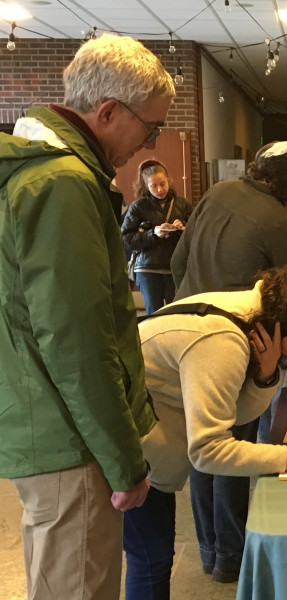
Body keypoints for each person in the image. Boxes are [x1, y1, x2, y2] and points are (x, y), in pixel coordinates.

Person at [0, 34, 173, 599]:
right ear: (107, 112)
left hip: (43, 422)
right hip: (72, 439)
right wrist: (124, 461)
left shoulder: (37, 170)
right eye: (150, 129)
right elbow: (77, 341)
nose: (150, 143)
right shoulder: (64, 184)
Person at [124, 261, 287, 599]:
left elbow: (234, 415)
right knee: (150, 560)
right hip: (126, 452)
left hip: (145, 447)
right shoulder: (224, 338)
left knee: (154, 558)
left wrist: (265, 375)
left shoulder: (252, 321)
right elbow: (208, 451)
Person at [170, 140, 287, 583]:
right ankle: (232, 556)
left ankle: (211, 550)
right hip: (238, 339)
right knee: (230, 446)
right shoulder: (279, 220)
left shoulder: (217, 192)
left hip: (187, 327)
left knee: (201, 445)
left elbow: (177, 260)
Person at [172, 141, 287, 297]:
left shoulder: (218, 190)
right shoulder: (282, 222)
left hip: (183, 313)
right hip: (233, 320)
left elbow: (178, 262)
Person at [121, 159, 193, 314]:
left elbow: (197, 232)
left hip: (175, 267)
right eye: (154, 186)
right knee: (154, 313)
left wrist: (183, 229)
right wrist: (152, 233)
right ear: (146, 186)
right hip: (148, 269)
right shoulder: (138, 207)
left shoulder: (182, 204)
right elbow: (126, 239)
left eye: (163, 183)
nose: (160, 189)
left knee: (177, 313)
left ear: (169, 181)